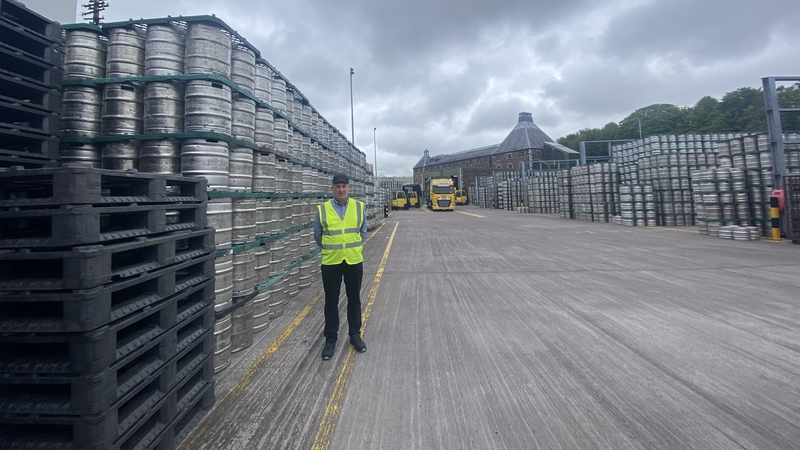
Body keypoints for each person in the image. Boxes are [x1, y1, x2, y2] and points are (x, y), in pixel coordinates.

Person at [314, 173, 368, 360]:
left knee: (354, 300)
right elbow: (318, 235)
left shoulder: (359, 207)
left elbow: (363, 232)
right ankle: (330, 339)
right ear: (333, 189)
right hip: (331, 262)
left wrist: (351, 247)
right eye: (338, 186)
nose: (341, 189)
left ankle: (355, 335)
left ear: (349, 188)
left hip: (353, 260)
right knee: (331, 302)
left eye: (344, 186)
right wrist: (332, 249)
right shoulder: (323, 209)